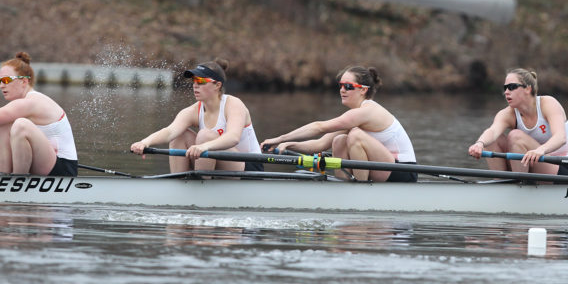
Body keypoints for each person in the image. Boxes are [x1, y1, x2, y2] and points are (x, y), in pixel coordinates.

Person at [260, 65, 418, 182]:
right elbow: (319, 144)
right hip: (384, 168)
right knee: (339, 140)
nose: (342, 90)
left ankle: (361, 192)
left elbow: (319, 127)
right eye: (341, 85)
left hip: (403, 170)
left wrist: (279, 138)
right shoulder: (354, 116)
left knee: (355, 135)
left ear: (363, 90)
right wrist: (287, 144)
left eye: (348, 86)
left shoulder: (367, 111)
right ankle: (345, 188)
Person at [129, 58, 263, 173]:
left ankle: (202, 185)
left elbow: (233, 138)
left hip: (248, 165)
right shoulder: (193, 111)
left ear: (217, 85)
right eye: (193, 81)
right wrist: (145, 142)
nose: (195, 86)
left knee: (205, 135)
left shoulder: (233, 104)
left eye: (200, 81)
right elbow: (169, 131)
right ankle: (179, 185)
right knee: (179, 135)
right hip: (219, 164)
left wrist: (204, 147)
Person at [467, 68, 568, 176]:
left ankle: (520, 184)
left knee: (515, 136)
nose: (506, 92)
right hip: (530, 164)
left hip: (561, 169)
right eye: (505, 88)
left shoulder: (548, 104)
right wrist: (479, 143)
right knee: (491, 141)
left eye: (511, 87)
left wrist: (540, 150)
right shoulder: (507, 114)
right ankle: (502, 185)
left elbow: (560, 138)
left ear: (528, 89)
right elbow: (493, 131)